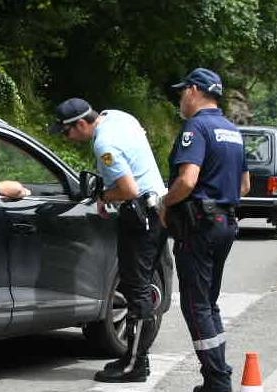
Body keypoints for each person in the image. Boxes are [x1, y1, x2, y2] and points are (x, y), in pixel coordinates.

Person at [49, 98, 167, 383]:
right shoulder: (116, 116)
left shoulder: (104, 145)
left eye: (67, 132)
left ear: (80, 124)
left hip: (141, 215)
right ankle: (133, 357)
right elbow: (141, 133)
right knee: (138, 286)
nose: (68, 138)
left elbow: (128, 189)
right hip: (158, 209)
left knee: (136, 289)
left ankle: (136, 364)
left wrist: (103, 196)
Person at [158, 68, 250, 392]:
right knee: (209, 304)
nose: (181, 98)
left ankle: (218, 381)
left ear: (195, 91)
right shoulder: (232, 130)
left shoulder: (196, 127)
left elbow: (187, 180)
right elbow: (245, 184)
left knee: (195, 306)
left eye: (183, 92)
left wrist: (163, 203)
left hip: (198, 226)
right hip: (225, 222)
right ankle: (215, 377)